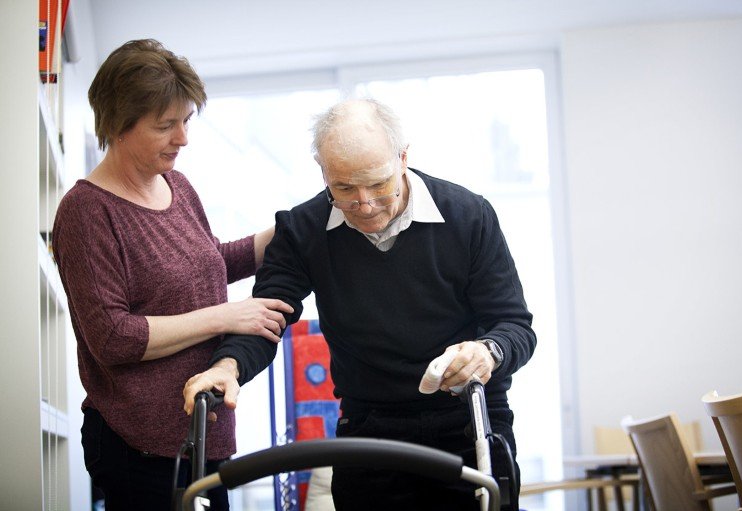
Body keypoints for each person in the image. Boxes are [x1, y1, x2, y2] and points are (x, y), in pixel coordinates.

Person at [183, 98, 536, 510]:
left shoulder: (468, 216)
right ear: (323, 172)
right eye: (345, 188)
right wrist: (228, 367)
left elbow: (514, 326)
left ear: (402, 158)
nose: (364, 204)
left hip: (468, 421)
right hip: (369, 425)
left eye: (378, 183)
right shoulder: (303, 230)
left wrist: (486, 351)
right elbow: (265, 316)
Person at [51, 39, 293, 511]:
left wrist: (290, 229)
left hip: (204, 430)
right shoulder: (86, 213)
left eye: (185, 121)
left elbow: (209, 263)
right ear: (119, 125)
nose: (183, 137)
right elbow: (114, 338)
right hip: (138, 446)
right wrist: (225, 317)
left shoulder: (176, 186)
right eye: (166, 126)